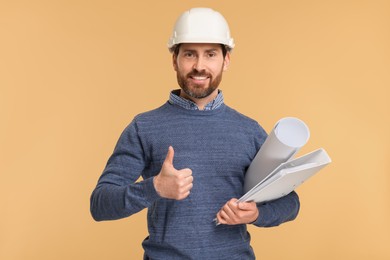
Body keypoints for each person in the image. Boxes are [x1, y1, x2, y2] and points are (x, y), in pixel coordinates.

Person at [90, 7, 300, 259]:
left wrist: (257, 214)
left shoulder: (249, 130)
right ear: (174, 60)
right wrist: (154, 187)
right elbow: (100, 204)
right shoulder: (144, 127)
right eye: (190, 54)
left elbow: (290, 201)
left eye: (210, 54)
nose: (199, 66)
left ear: (226, 60)